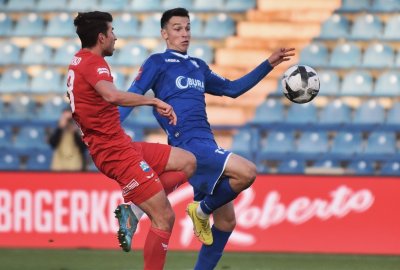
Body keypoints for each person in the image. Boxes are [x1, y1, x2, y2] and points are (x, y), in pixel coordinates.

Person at [119, 8, 295, 270]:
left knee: (226, 223)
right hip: (188, 146)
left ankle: (187, 217)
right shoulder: (157, 63)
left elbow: (232, 89)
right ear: (164, 33)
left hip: (206, 145)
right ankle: (200, 211)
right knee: (247, 172)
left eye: (188, 28)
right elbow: (132, 94)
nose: (184, 33)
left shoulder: (198, 66)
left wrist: (268, 63)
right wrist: (111, 129)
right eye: (177, 28)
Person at [68, 11, 196, 270]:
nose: (116, 37)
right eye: (112, 32)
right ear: (101, 37)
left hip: (120, 144)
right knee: (164, 217)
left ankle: (133, 211)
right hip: (115, 152)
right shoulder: (94, 63)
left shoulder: (79, 60)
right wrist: (153, 99)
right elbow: (111, 96)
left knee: (188, 162)